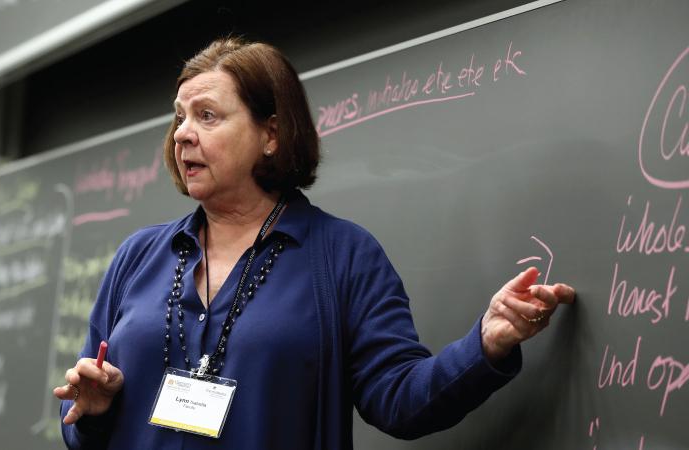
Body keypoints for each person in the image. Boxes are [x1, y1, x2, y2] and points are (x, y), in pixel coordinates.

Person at [53, 37, 575, 450]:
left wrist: (484, 346)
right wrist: (90, 411)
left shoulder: (342, 256)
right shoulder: (138, 257)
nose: (182, 134)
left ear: (271, 134)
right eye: (180, 117)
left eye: (207, 116)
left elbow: (399, 399)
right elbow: (79, 422)